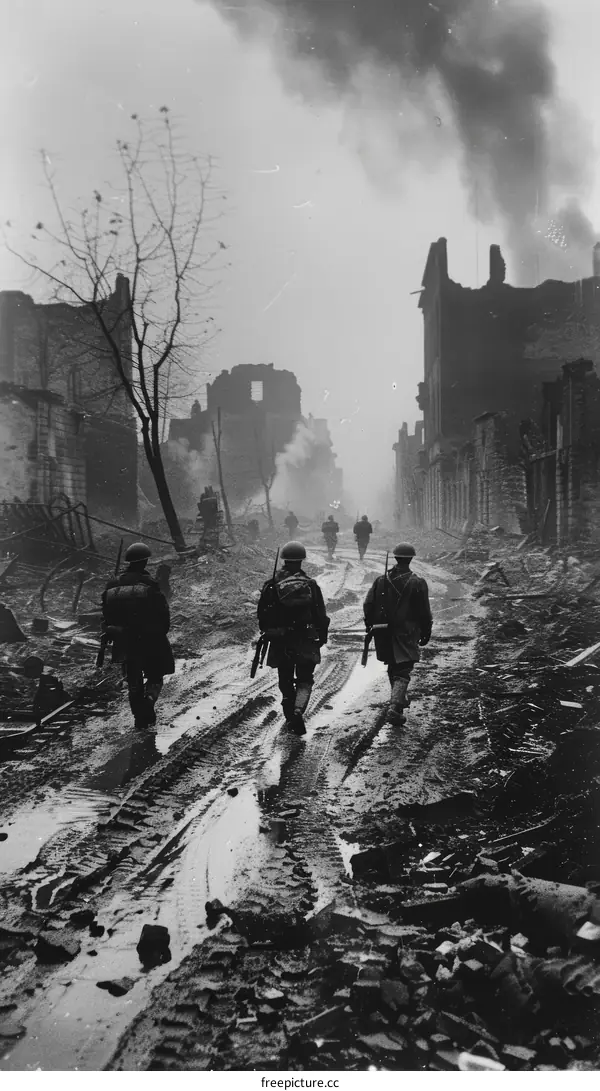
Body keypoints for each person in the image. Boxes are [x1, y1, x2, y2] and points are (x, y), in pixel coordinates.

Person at [257, 541, 330, 735]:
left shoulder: (271, 585)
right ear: (301, 561)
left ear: (284, 561)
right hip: (306, 638)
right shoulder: (311, 585)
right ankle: (298, 711)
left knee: (285, 679)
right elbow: (320, 615)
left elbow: (262, 616)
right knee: (305, 678)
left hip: (281, 640)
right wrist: (321, 636)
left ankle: (290, 716)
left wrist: (271, 632)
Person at [101, 542, 175, 729]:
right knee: (156, 674)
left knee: (132, 678)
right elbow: (162, 614)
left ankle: (138, 714)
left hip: (123, 640)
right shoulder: (149, 584)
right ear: (145, 562)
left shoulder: (112, 585)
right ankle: (149, 701)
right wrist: (160, 634)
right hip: (149, 639)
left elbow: (106, 614)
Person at [363, 543, 432, 726]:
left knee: (394, 667)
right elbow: (424, 611)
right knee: (403, 669)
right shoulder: (417, 582)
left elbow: (368, 605)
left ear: (395, 558)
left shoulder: (380, 580)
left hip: (383, 631)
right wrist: (426, 630)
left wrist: (371, 625)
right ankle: (394, 707)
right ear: (410, 559)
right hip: (406, 632)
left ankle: (399, 703)